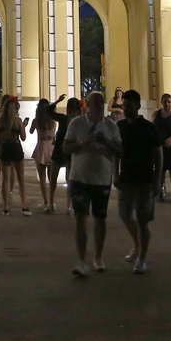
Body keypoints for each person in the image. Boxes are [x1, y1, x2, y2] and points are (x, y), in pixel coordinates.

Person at [64, 90, 122, 277]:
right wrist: (83, 142)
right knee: (81, 219)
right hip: (79, 178)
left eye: (102, 102)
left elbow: (120, 151)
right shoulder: (76, 123)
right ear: (87, 106)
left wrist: (107, 143)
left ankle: (98, 257)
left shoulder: (111, 126)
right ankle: (81, 260)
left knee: (100, 219)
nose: (99, 106)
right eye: (96, 103)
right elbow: (66, 147)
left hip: (102, 179)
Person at [114, 90, 163, 273]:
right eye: (124, 105)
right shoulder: (120, 127)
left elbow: (158, 155)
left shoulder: (148, 128)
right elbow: (116, 153)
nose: (126, 109)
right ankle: (137, 245)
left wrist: (157, 180)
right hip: (126, 179)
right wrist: (115, 174)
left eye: (129, 105)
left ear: (138, 106)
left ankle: (142, 257)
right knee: (125, 215)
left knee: (143, 220)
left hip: (144, 180)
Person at [0, 96, 29, 215]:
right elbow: (23, 138)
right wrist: (23, 126)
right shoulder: (17, 121)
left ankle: (6, 207)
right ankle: (24, 205)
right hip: (15, 146)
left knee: (6, 178)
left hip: (4, 147)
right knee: (21, 177)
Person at [52, 96, 81, 214]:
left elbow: (49, 111)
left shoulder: (64, 119)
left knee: (53, 177)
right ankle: (69, 206)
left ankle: (50, 202)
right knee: (70, 180)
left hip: (60, 149)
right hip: (72, 151)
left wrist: (57, 101)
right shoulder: (80, 120)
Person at [31, 99, 59, 213]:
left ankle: (46, 201)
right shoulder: (53, 121)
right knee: (52, 177)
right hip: (52, 146)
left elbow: (31, 131)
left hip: (42, 146)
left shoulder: (37, 120)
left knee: (42, 177)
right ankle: (52, 201)